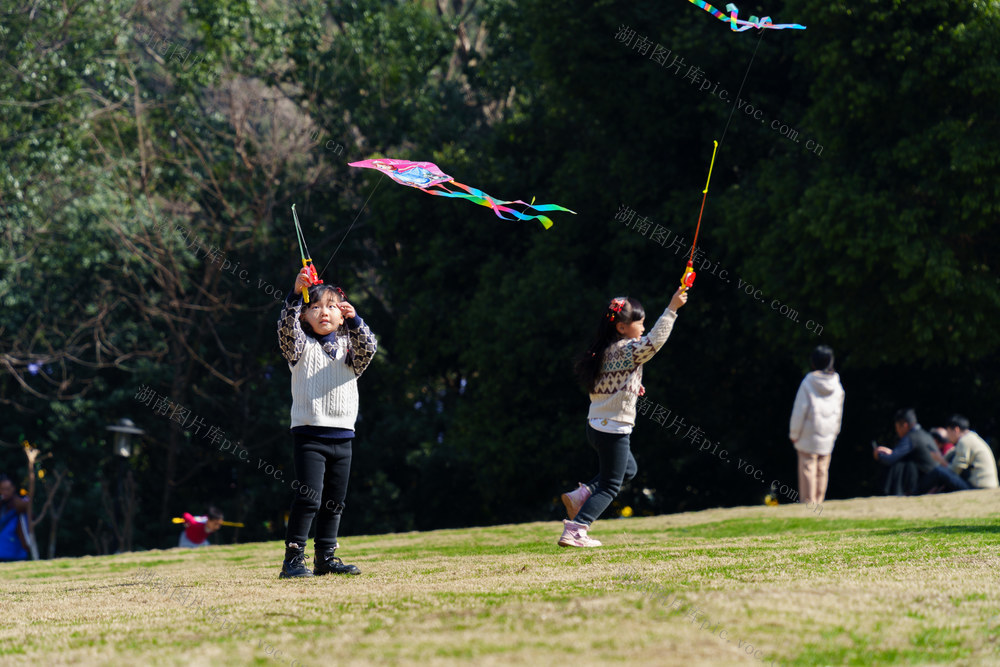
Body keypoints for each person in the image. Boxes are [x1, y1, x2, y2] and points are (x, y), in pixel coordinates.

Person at [558, 286, 688, 548]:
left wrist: (631, 386)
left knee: (629, 469)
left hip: (596, 426)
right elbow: (654, 341)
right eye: (639, 322)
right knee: (610, 485)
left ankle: (582, 494)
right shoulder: (629, 349)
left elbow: (612, 383)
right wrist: (672, 309)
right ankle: (577, 529)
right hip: (614, 428)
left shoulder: (604, 351)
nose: (643, 327)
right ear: (621, 327)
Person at [276, 270, 377, 577]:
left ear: (342, 314)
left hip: (343, 436)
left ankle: (326, 557)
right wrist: (296, 294)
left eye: (333, 306)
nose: (324, 312)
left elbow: (370, 347)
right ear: (305, 316)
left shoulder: (351, 350)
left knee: (335, 501)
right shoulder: (299, 347)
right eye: (316, 306)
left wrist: (357, 320)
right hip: (309, 436)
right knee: (309, 496)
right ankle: (293, 559)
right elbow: (285, 330)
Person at [788, 345, 845, 506]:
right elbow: (839, 412)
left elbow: (800, 411)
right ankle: (819, 502)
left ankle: (808, 503)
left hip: (808, 434)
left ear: (813, 362)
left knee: (808, 467)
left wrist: (794, 434)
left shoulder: (808, 382)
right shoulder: (837, 384)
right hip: (828, 434)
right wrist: (835, 432)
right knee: (822, 469)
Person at [874, 409, 970, 494]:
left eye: (897, 427)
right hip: (937, 478)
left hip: (930, 480)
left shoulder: (912, 437)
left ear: (904, 425)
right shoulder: (924, 434)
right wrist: (892, 452)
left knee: (899, 464)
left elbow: (890, 459)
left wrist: (878, 454)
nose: (897, 431)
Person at [943, 415, 999, 489]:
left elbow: (955, 469)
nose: (947, 436)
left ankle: (923, 492)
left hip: (980, 486)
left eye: (948, 432)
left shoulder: (964, 441)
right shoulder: (971, 438)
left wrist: (940, 460)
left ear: (956, 430)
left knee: (939, 472)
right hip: (989, 484)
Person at [0, 475, 32, 562]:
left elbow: (25, 505)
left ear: (13, 488)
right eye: (2, 489)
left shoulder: (18, 503)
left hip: (16, 553)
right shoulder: (2, 505)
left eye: (8, 489)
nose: (5, 492)